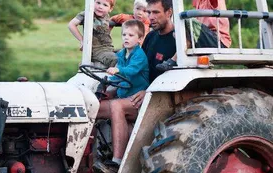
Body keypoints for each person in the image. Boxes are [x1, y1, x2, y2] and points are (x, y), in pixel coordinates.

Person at [93, 19, 149, 172]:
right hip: (123, 97)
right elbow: (117, 79)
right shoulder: (121, 54)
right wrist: (106, 84)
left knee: (116, 105)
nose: (126, 38)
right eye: (124, 34)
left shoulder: (139, 56)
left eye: (131, 35)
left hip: (137, 101)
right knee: (93, 107)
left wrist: (118, 71)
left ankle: (116, 161)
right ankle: (92, 156)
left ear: (140, 39)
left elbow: (132, 71)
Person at [155, 0, 232, 71]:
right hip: (204, 38)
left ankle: (174, 59)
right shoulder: (199, 1)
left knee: (187, 21)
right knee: (177, 31)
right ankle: (182, 50)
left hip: (218, 40)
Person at [68, 0, 117, 68]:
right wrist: (82, 40)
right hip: (97, 51)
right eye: (98, 3)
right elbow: (71, 25)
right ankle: (94, 65)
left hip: (109, 49)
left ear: (110, 9)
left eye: (105, 5)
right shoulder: (87, 13)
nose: (100, 7)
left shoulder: (106, 16)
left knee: (129, 55)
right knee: (116, 60)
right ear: (93, 3)